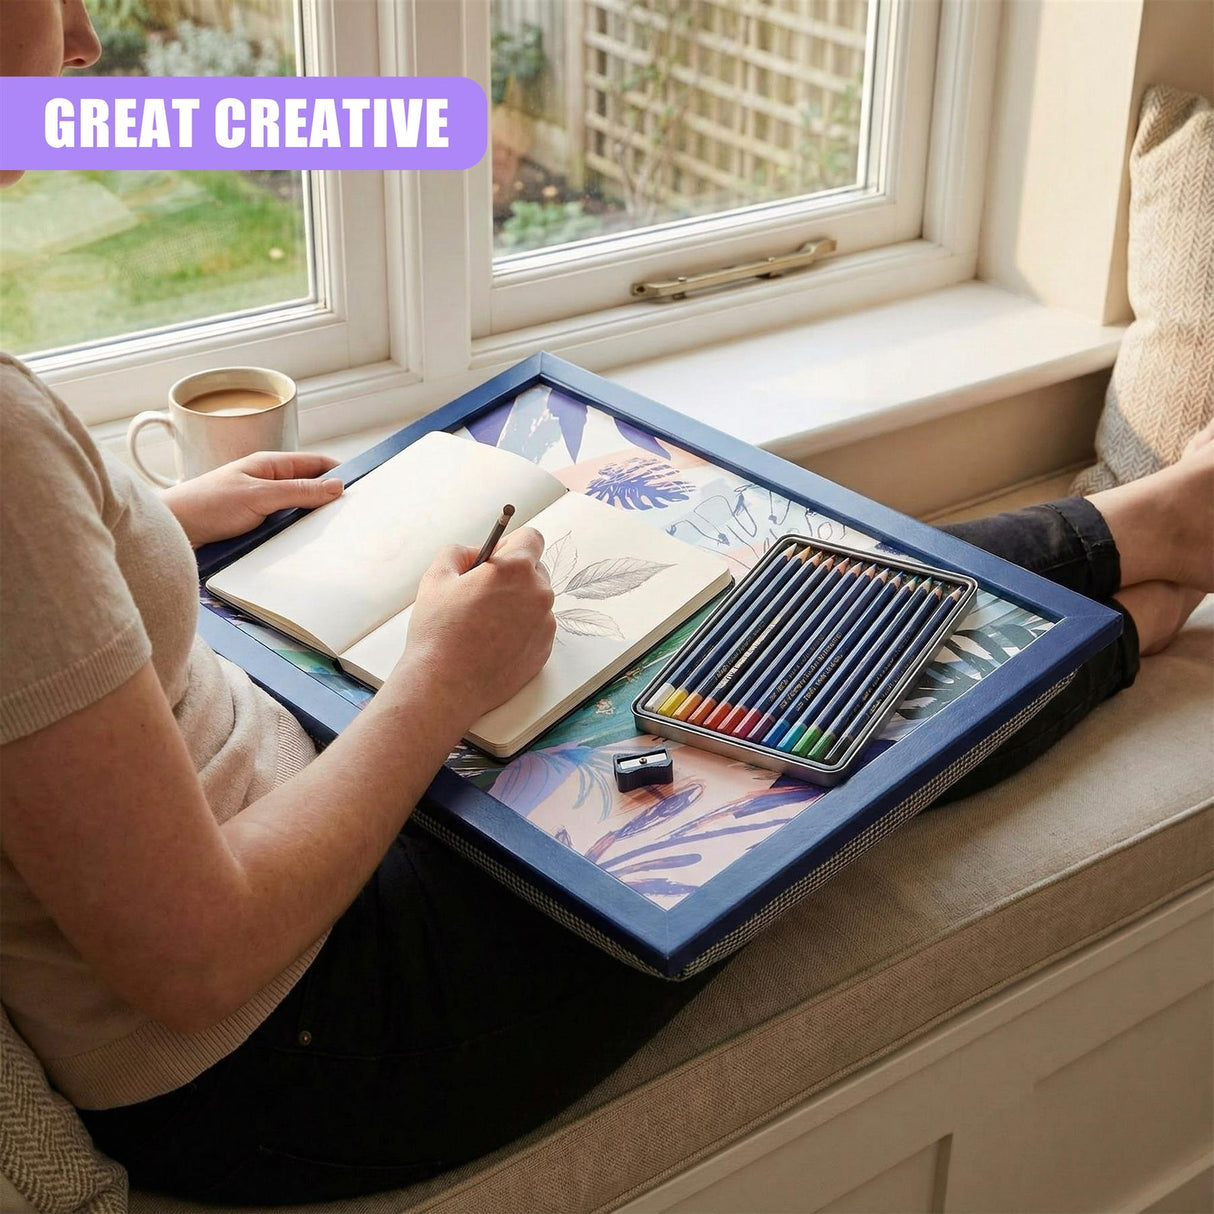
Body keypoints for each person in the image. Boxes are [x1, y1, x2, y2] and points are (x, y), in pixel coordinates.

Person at [1, 1, 1210, 1204]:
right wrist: (435, 686)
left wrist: (143, 525)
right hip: (306, 1049)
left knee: (715, 622)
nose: (86, 44)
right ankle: (1138, 591)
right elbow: (195, 961)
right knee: (765, 739)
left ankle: (1140, 542)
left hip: (290, 844)